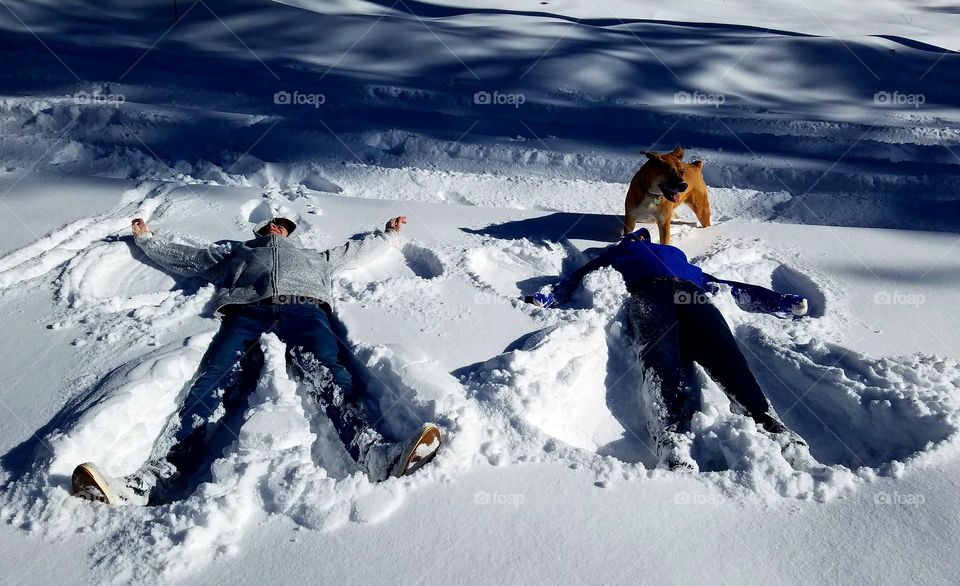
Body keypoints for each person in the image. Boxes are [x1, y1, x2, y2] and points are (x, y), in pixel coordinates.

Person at [72, 216, 442, 505]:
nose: (276, 227)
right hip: (246, 311)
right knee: (212, 378)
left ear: (290, 234)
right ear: (261, 231)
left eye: (282, 225)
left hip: (304, 308)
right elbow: (188, 258)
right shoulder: (238, 253)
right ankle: (152, 479)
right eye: (270, 224)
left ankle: (374, 453)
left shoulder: (314, 258)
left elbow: (352, 252)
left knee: (330, 371)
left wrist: (389, 236)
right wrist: (147, 241)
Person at [527, 227, 811, 471]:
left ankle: (769, 423)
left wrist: (780, 301)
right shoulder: (618, 252)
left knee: (725, 352)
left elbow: (724, 285)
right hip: (648, 292)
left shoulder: (676, 254)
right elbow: (581, 275)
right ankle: (670, 436)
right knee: (659, 352)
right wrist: (549, 295)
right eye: (633, 237)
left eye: (639, 236)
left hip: (691, 291)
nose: (637, 238)